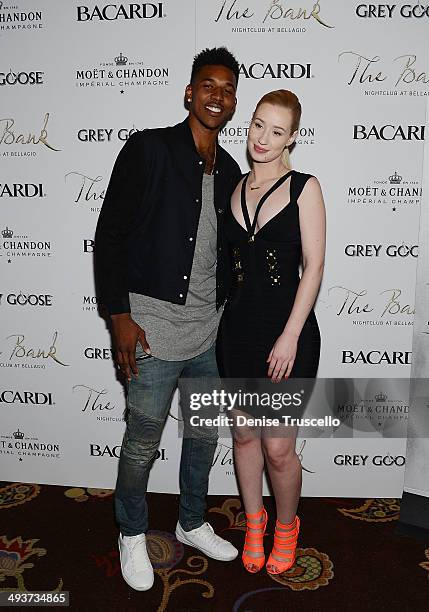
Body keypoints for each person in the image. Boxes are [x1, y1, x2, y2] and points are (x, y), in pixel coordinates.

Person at [94, 47, 242, 592]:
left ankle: (192, 519)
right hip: (151, 326)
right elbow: (109, 236)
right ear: (189, 91)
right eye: (208, 84)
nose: (217, 95)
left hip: (209, 331)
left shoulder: (231, 169)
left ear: (233, 102)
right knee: (142, 441)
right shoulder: (149, 149)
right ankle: (131, 532)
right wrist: (119, 318)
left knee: (203, 437)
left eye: (227, 89)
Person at [217, 90, 326, 574]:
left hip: (288, 334)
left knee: (279, 448)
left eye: (276, 131)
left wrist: (291, 335)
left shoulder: (306, 187)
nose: (262, 138)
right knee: (244, 437)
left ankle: (287, 527)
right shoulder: (233, 186)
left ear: (292, 138)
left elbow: (314, 266)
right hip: (237, 332)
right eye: (258, 124)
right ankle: (255, 523)